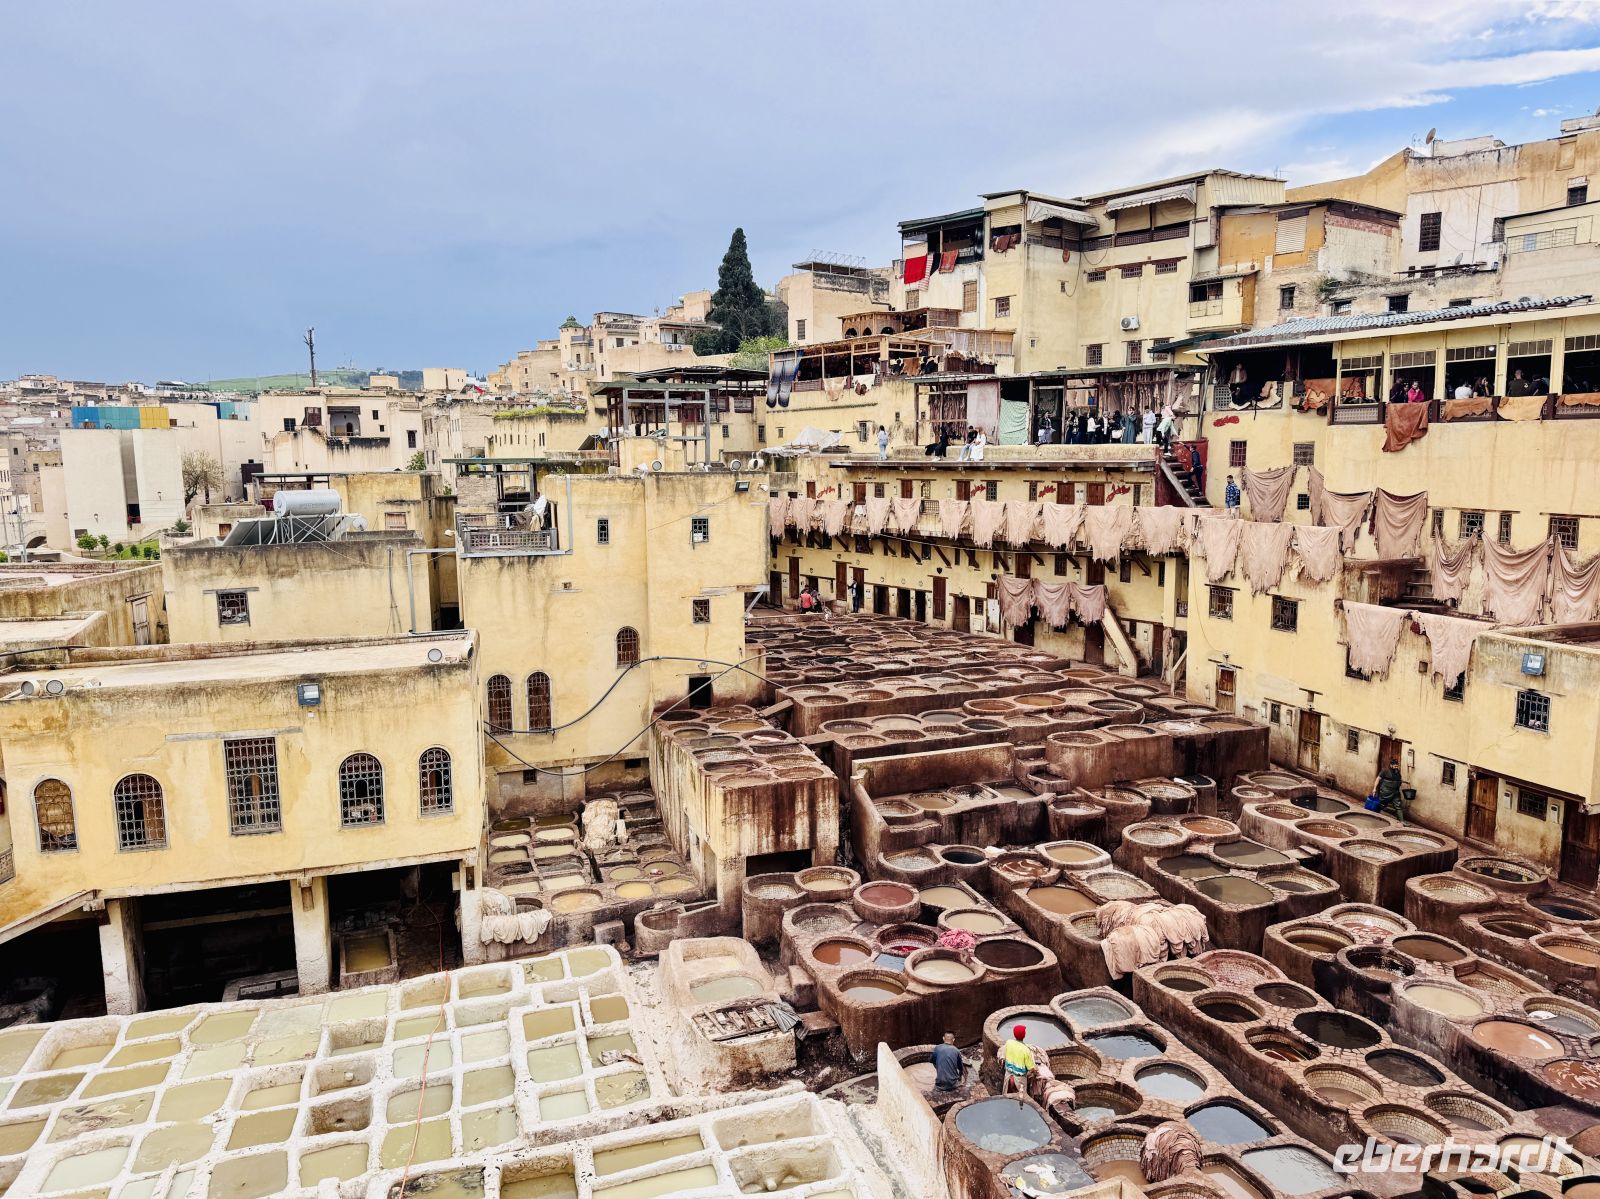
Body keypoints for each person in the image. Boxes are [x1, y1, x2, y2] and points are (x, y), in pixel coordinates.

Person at [1000, 1024, 1035, 1095]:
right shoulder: (1026, 1050)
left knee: (1006, 1096)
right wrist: (1034, 1070)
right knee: (1020, 1099)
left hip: (1008, 1075)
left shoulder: (1009, 1043)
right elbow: (1031, 1068)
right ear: (1024, 1035)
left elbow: (1003, 1055)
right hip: (1019, 1079)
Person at [1373, 757, 1406, 822]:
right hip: (1386, 792)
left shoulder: (1397, 772)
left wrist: (1400, 782)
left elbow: (1398, 780)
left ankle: (1402, 822)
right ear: (1391, 765)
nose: (1396, 767)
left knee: (1398, 805)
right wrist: (1374, 788)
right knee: (1382, 805)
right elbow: (1378, 779)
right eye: (1395, 766)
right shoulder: (1385, 771)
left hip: (1395, 792)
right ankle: (1374, 815)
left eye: (1397, 766)